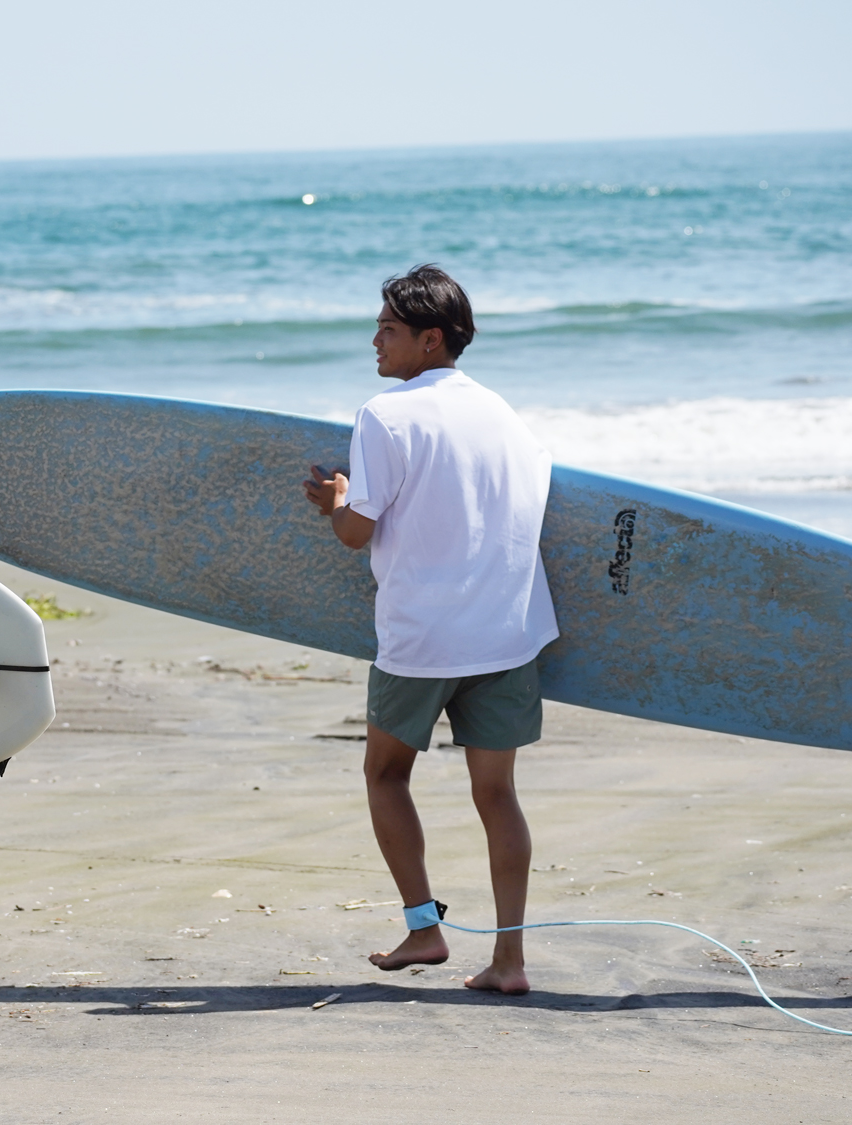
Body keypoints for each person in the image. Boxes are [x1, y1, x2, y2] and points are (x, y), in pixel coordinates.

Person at [302, 264, 559, 995]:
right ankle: (509, 960)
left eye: (387, 329)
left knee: (386, 773)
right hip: (509, 633)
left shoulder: (386, 415)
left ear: (430, 338)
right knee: (498, 795)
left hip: (422, 636)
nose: (375, 342)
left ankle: (424, 928)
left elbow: (357, 532)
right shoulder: (507, 414)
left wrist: (335, 500)